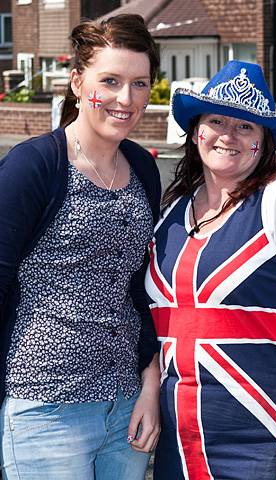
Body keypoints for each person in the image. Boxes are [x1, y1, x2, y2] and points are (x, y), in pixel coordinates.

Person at [0, 14, 161, 480]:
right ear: (76, 82)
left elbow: (139, 289)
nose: (125, 99)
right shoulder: (33, 166)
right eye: (109, 81)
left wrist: (149, 385)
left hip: (125, 407)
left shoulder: (142, 169)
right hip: (46, 406)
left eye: (139, 83)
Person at [145, 60, 276, 480]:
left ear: (264, 142)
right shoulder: (170, 214)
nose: (228, 135)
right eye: (217, 121)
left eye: (247, 127)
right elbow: (149, 321)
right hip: (180, 444)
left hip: (268, 440)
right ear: (196, 131)